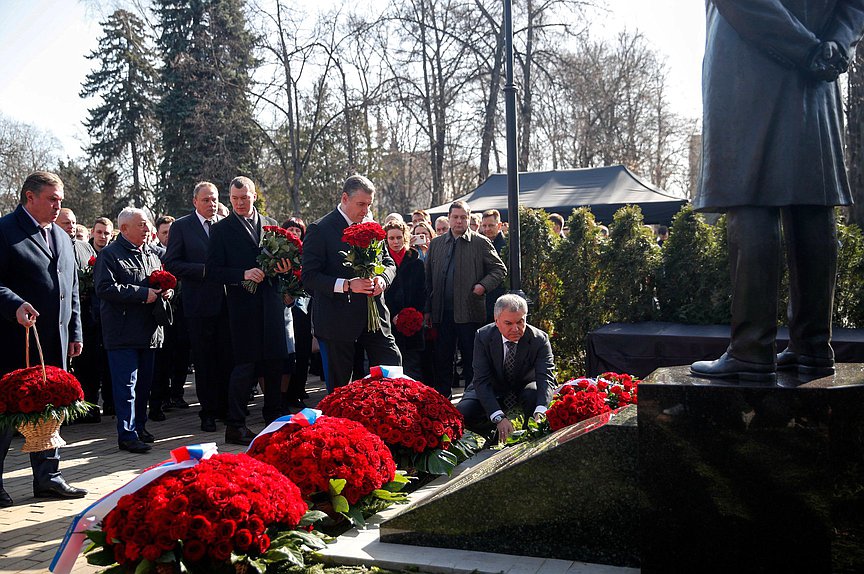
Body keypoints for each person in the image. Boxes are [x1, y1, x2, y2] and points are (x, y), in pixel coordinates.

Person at [690, 2, 864, 382]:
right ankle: (812, 348)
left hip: (749, 67)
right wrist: (835, 46)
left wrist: (809, 49)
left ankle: (751, 351)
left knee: (751, 193)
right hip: (817, 77)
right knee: (812, 197)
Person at [0, 171, 87, 507]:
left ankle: (48, 477)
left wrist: (74, 331)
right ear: (29, 197)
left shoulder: (62, 237)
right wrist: (14, 304)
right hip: (14, 341)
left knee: (50, 410)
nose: (57, 206)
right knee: (7, 412)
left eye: (60, 200)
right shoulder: (6, 230)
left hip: (55, 341)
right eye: (51, 199)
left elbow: (71, 289)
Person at [207, 176, 290, 445]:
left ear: (254, 196)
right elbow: (213, 271)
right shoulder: (221, 230)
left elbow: (283, 262)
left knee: (275, 363)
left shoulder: (271, 225)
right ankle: (235, 425)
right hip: (242, 308)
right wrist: (242, 273)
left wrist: (284, 268)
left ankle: (274, 420)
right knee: (245, 367)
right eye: (234, 199)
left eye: (244, 198)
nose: (239, 203)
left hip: (272, 304)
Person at [301, 174, 402, 391]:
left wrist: (383, 279)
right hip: (337, 321)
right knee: (342, 389)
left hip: (375, 317)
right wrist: (347, 285)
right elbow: (308, 277)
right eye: (361, 204)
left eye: (369, 205)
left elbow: (388, 263)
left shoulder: (372, 226)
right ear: (345, 198)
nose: (366, 210)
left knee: (393, 370)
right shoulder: (320, 229)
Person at [95, 207, 171, 453]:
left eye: (147, 223)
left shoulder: (150, 253)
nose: (147, 228)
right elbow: (105, 288)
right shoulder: (110, 254)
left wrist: (165, 291)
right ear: (124, 228)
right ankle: (126, 434)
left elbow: (157, 280)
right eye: (141, 224)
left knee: (144, 386)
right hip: (123, 332)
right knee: (126, 386)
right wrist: (142, 294)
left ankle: (139, 427)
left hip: (149, 332)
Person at [164, 181, 232, 433]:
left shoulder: (226, 225)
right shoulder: (182, 226)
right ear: (195, 202)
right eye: (206, 200)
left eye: (214, 199)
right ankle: (208, 412)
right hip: (199, 305)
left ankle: (225, 408)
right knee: (205, 361)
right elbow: (172, 263)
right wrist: (204, 271)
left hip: (227, 304)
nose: (211, 204)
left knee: (227, 358)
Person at [424, 200, 506, 397]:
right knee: (442, 359)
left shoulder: (480, 242)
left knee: (471, 360)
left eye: (463, 217)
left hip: (470, 312)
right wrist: (427, 309)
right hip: (442, 313)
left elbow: (499, 269)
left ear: (469, 218)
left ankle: (472, 399)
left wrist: (482, 286)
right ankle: (443, 399)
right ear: (449, 218)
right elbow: (428, 280)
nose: (459, 221)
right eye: (455, 217)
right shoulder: (436, 244)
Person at [456, 294, 555, 443]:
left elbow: (546, 377)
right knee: (465, 411)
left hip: (525, 386)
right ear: (496, 321)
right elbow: (481, 380)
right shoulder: (483, 336)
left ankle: (531, 437)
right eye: (508, 323)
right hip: (492, 386)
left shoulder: (539, 339)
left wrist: (541, 410)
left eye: (520, 322)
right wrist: (498, 417)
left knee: (534, 394)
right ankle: (491, 434)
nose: (515, 328)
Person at [150, 214, 190, 420]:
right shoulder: (154, 253)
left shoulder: (184, 252)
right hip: (161, 315)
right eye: (165, 232)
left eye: (172, 232)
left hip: (181, 311)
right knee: (163, 357)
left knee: (182, 352)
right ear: (157, 234)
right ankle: (163, 395)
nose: (169, 236)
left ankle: (177, 393)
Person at [384, 220, 426, 381]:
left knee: (412, 365)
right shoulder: (381, 263)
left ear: (405, 238)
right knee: (391, 367)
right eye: (391, 238)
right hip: (388, 322)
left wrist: (412, 314)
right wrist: (393, 315)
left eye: (399, 237)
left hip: (412, 321)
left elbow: (422, 292)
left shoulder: (416, 262)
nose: (395, 242)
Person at [282, 218, 312, 408]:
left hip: (301, 308)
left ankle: (298, 391)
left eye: (297, 230)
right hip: (282, 308)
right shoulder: (277, 251)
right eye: (290, 229)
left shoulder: (307, 253)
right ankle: (283, 393)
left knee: (302, 351)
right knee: (286, 353)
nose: (294, 232)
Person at [480, 209, 506, 323]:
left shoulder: (506, 245)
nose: (487, 229)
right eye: (484, 226)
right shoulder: (480, 243)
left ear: (499, 225)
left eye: (491, 225)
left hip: (499, 297)